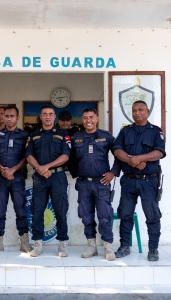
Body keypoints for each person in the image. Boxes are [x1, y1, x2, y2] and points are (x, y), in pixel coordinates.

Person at [112, 100, 166, 261]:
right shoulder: (125, 131)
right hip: (129, 180)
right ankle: (125, 246)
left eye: (141, 110)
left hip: (149, 181)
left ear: (147, 111)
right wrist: (131, 161)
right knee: (125, 214)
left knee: (152, 216)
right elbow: (117, 150)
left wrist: (139, 158)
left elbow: (159, 152)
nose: (137, 112)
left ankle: (153, 249)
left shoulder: (156, 131)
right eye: (134, 110)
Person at [68, 108, 121, 261]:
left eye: (91, 117)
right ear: (82, 120)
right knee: (86, 217)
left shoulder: (106, 137)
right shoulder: (76, 138)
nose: (88, 120)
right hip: (84, 184)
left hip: (101, 183)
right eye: (85, 118)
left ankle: (108, 248)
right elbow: (69, 158)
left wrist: (113, 172)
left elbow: (119, 154)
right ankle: (92, 247)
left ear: (97, 118)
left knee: (104, 217)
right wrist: (76, 173)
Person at [25, 104, 71, 257]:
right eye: (44, 114)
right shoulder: (33, 135)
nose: (48, 116)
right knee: (37, 211)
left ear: (54, 116)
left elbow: (66, 155)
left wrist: (47, 167)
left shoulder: (63, 134)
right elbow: (29, 155)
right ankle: (37, 244)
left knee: (61, 210)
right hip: (39, 178)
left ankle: (62, 244)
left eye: (50, 114)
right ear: (41, 116)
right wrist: (39, 169)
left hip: (57, 177)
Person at [0, 106, 33, 254]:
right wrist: (3, 170)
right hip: (0, 178)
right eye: (7, 116)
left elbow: (27, 157)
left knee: (21, 210)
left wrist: (12, 170)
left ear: (17, 118)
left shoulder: (24, 136)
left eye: (12, 116)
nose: (9, 118)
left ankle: (24, 243)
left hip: (17, 178)